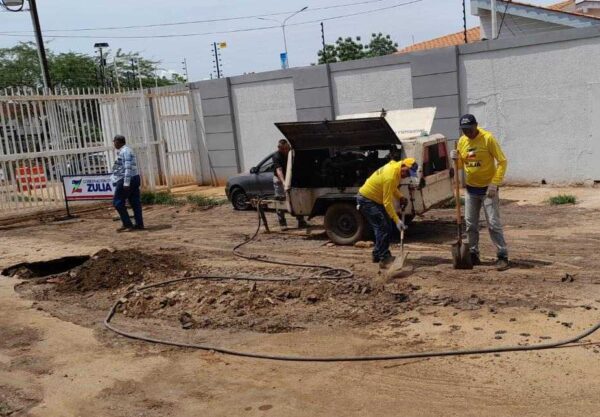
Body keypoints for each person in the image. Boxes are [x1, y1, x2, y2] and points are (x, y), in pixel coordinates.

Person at [450, 114, 509, 271]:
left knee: (493, 223)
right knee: (470, 224)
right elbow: (462, 165)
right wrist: (456, 160)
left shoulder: (487, 138)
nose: (467, 133)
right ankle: (473, 253)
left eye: (469, 129)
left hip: (488, 190)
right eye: (464, 130)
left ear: (476, 126)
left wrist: (494, 184)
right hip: (471, 190)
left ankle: (502, 255)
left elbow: (502, 161)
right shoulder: (462, 141)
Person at [357, 151, 418, 269]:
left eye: (410, 174)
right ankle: (384, 258)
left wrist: (400, 196)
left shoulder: (395, 169)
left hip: (374, 199)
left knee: (384, 227)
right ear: (403, 166)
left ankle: (377, 254)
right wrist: (397, 220)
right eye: (407, 172)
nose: (407, 176)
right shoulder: (390, 175)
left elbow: (393, 188)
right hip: (367, 200)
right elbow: (387, 202)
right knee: (383, 227)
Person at [110, 134, 144, 232]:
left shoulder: (125, 151)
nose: (114, 144)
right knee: (135, 202)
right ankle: (139, 224)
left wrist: (126, 183)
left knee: (117, 202)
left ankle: (127, 224)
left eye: (114, 142)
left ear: (118, 141)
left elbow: (127, 167)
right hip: (133, 178)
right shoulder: (125, 151)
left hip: (128, 178)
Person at [272, 139, 308, 229]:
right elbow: (279, 170)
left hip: (291, 177)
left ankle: (301, 221)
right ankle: (283, 224)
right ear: (279, 148)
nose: (284, 151)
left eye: (286, 148)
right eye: (282, 149)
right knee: (280, 200)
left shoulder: (292, 154)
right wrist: (284, 182)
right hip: (279, 179)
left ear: (288, 147)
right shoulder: (276, 156)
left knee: (296, 198)